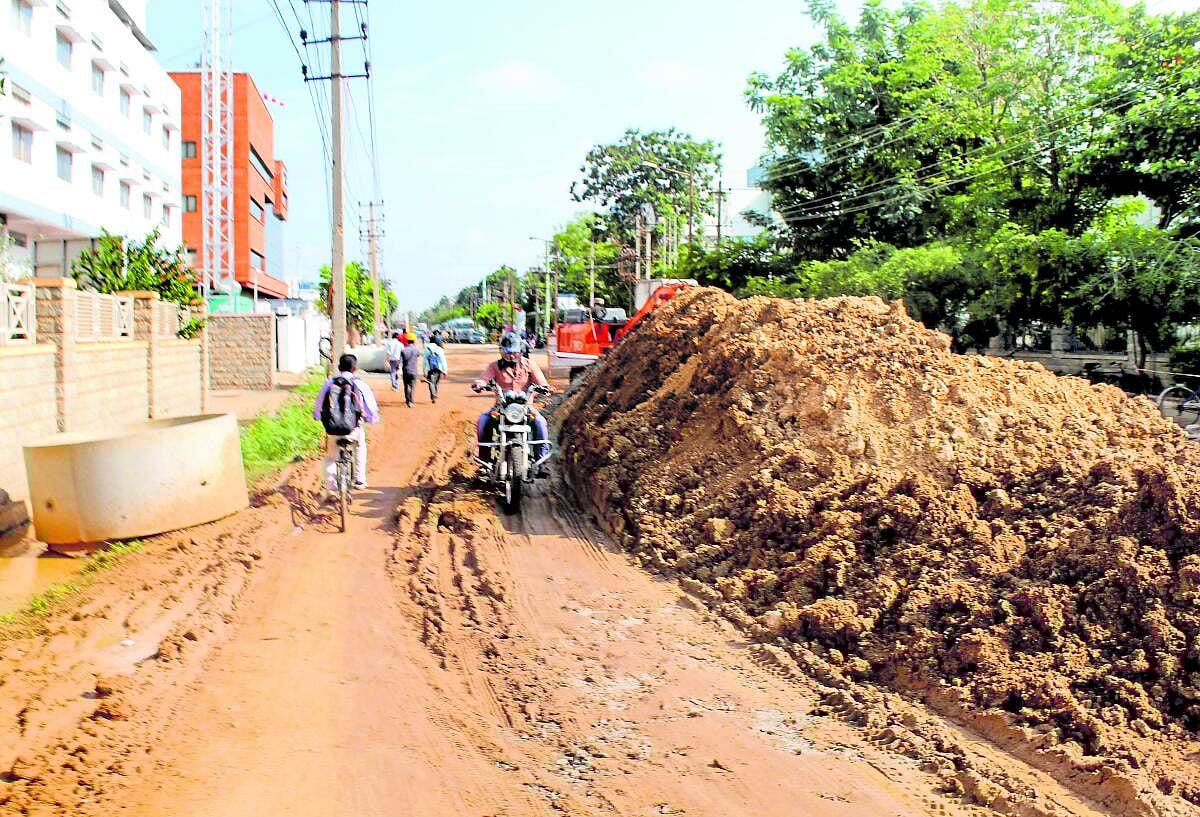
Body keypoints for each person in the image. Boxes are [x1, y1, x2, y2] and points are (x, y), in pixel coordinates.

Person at [472, 332, 554, 472]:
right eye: (507, 352)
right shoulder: (494, 366)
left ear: (520, 351)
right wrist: (479, 384)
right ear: (501, 351)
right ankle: (485, 461)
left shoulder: (530, 365)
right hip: (501, 408)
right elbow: (484, 379)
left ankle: (541, 462)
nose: (511, 355)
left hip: (525, 408)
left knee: (540, 422)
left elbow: (542, 382)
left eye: (514, 352)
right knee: (483, 421)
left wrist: (546, 388)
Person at [313, 353, 379, 491]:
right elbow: (370, 405)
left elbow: (319, 403)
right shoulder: (359, 383)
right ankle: (360, 480)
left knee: (331, 456)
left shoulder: (329, 383)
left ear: (339, 367)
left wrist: (318, 416)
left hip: (333, 429)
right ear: (354, 368)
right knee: (360, 446)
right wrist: (371, 418)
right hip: (353, 429)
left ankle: (331, 488)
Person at [399, 334, 422, 407]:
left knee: (406, 386)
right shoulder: (416, 350)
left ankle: (407, 400)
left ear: (407, 341)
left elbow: (400, 361)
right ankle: (411, 401)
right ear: (414, 341)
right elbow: (418, 355)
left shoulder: (403, 350)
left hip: (406, 370)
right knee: (412, 386)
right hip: (414, 371)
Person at [423, 336, 448, 403]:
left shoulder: (426, 348)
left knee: (431, 382)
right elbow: (443, 360)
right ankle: (435, 394)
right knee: (435, 383)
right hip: (438, 368)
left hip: (430, 368)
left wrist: (424, 371)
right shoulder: (439, 349)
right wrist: (445, 370)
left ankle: (433, 395)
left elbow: (424, 361)